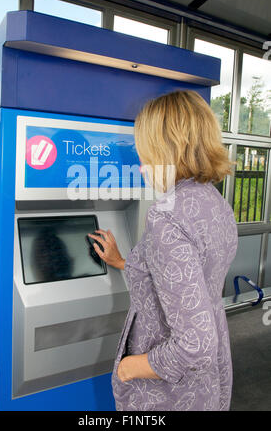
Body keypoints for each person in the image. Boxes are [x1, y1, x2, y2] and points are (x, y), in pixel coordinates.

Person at [87, 90, 238, 411]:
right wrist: (122, 262)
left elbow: (195, 345)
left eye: (146, 154)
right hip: (207, 384)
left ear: (168, 150)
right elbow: (185, 280)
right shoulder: (217, 204)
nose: (141, 167)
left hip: (167, 393)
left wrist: (129, 367)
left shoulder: (167, 215)